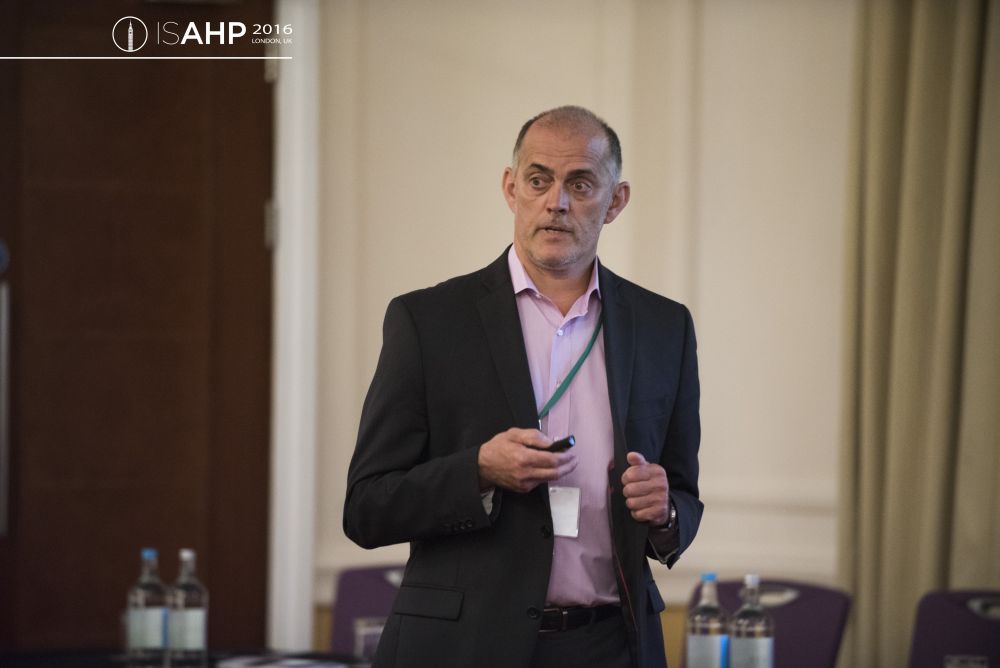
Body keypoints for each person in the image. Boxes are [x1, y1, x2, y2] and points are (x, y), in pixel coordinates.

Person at [343, 106, 702, 668]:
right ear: (511, 189)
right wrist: (478, 470)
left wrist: (666, 512)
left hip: (613, 644)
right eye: (539, 180)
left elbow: (682, 492)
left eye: (580, 184)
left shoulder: (664, 327)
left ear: (615, 201)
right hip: (465, 648)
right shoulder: (429, 321)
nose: (556, 202)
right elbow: (367, 508)